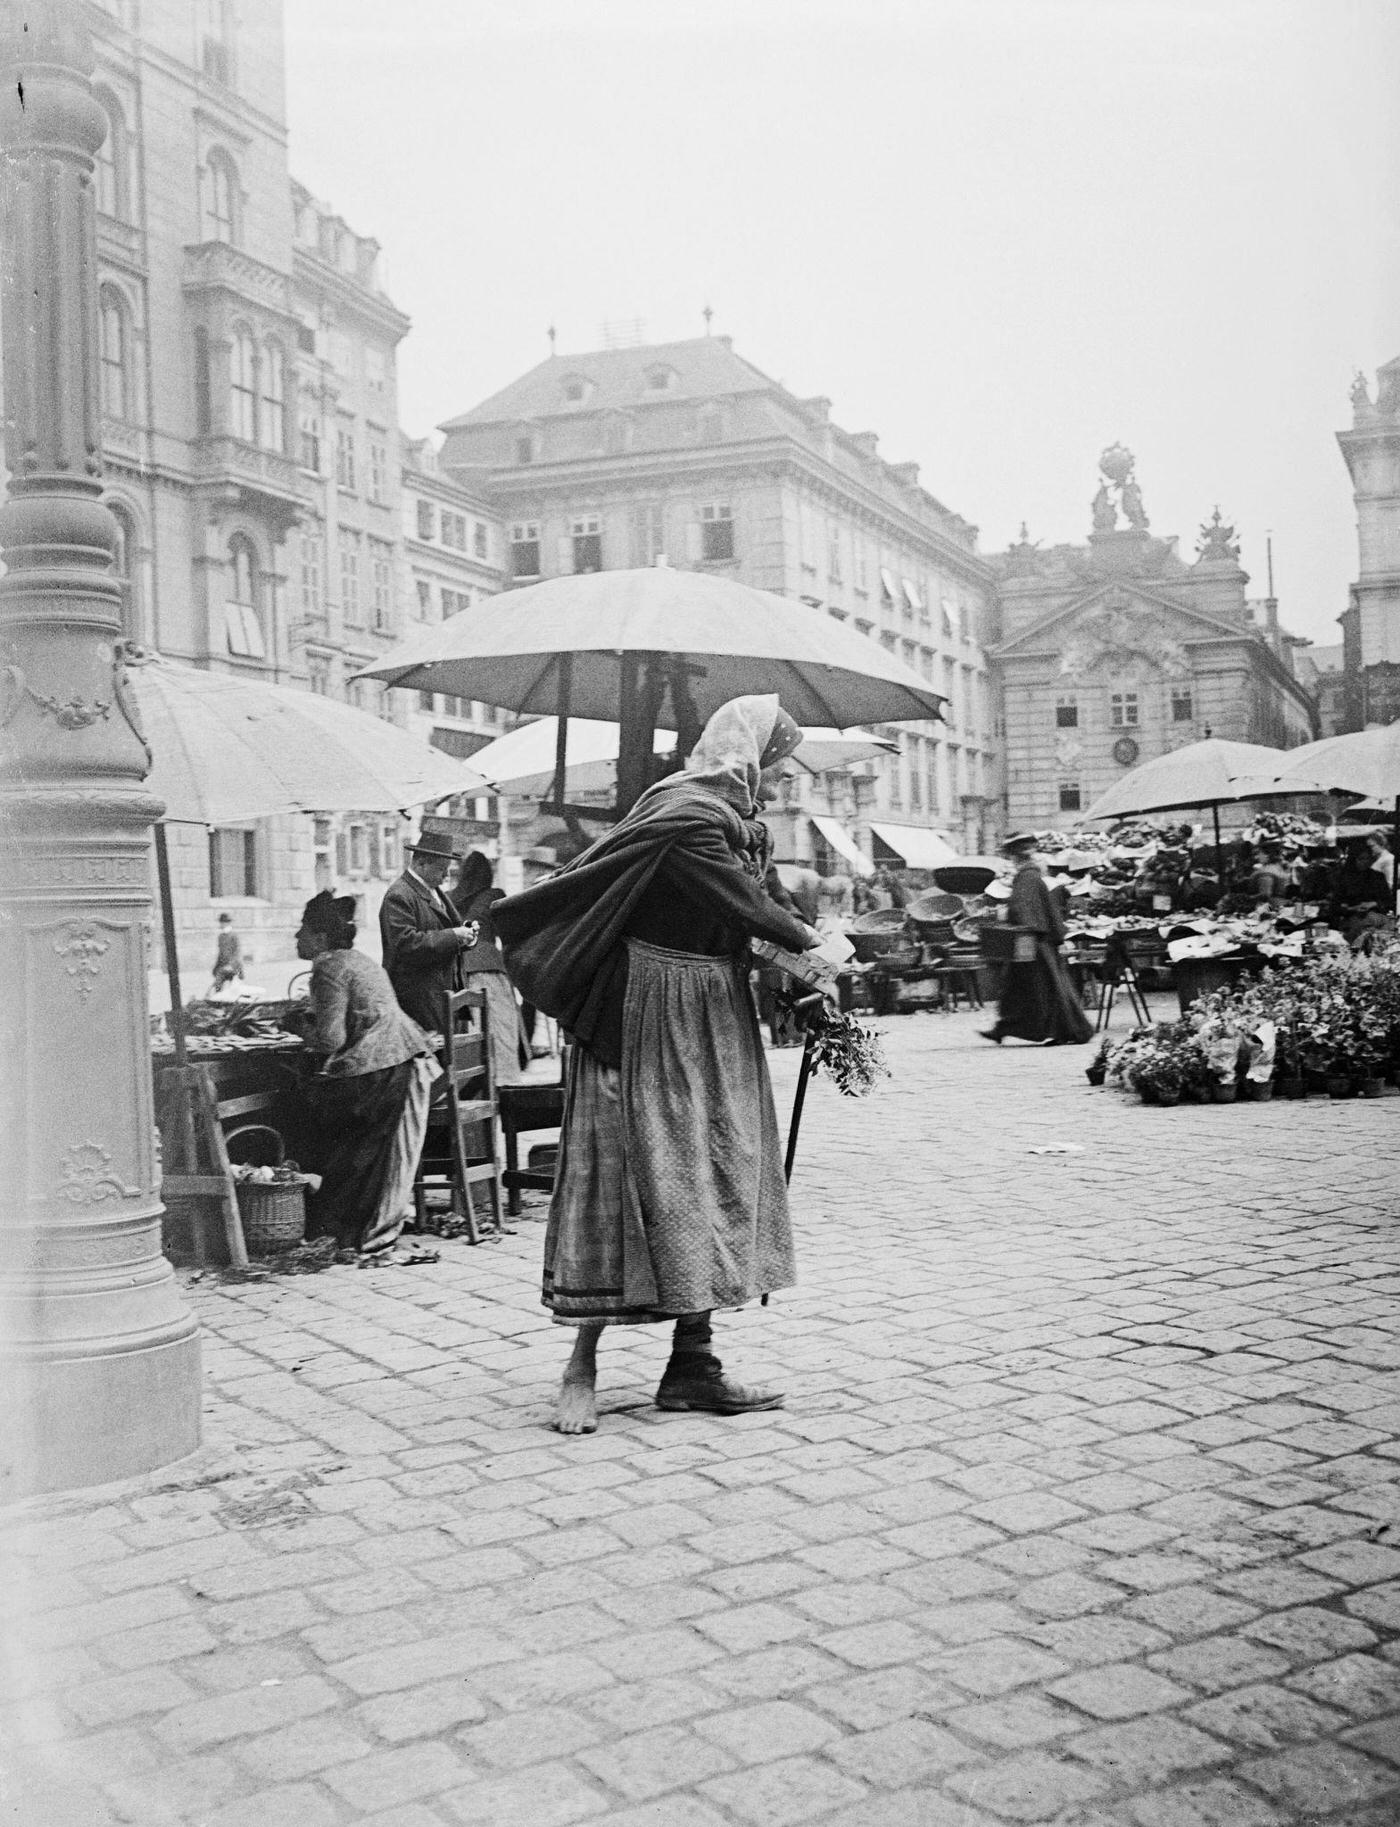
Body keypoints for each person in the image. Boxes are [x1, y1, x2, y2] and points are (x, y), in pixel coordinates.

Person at [493, 694, 819, 1436]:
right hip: (647, 1008)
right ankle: (581, 1367)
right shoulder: (688, 816)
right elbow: (749, 907)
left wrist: (806, 982)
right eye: (777, 765)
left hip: (713, 1007)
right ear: (749, 758)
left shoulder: (740, 826)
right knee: (627, 1176)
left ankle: (692, 1366)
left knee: (712, 1170)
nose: (781, 781)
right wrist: (817, 945)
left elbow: (755, 912)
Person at [292, 892, 441, 1263]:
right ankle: (330, 1218)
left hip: (376, 1071)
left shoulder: (327, 966)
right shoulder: (358, 959)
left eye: (303, 932)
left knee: (299, 1111)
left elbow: (332, 1039)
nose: (297, 939)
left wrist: (298, 1026)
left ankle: (324, 1222)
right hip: (400, 1061)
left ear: (321, 938)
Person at [979, 833, 1093, 1047]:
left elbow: (1024, 908)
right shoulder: (1030, 875)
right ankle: (1004, 1028)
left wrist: (1013, 920)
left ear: (1015, 855)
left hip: (1030, 940)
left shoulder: (1027, 877)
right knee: (1024, 987)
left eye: (1011, 855)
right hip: (1034, 938)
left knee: (1040, 988)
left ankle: (1067, 1030)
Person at [378, 831, 480, 1032]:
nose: (446, 875)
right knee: (435, 1058)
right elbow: (405, 944)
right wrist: (454, 936)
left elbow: (443, 928)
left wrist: (466, 935)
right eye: (442, 869)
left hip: (444, 994)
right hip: (419, 999)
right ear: (421, 863)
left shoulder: (432, 889)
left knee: (451, 1057)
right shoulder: (399, 895)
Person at [450, 851, 528, 1086]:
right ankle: (503, 1083)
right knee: (500, 1031)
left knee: (470, 1032)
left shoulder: (447, 898)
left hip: (457, 972)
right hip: (489, 969)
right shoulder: (494, 896)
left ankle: (473, 1084)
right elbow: (512, 937)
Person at [211, 912, 243, 991]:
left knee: (235, 989)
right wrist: (216, 967)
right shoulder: (221, 936)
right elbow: (221, 954)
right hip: (223, 967)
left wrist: (231, 965)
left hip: (233, 967)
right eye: (220, 922)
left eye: (222, 922)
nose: (221, 924)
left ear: (227, 923)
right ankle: (218, 1002)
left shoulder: (233, 935)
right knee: (218, 985)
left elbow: (236, 952)